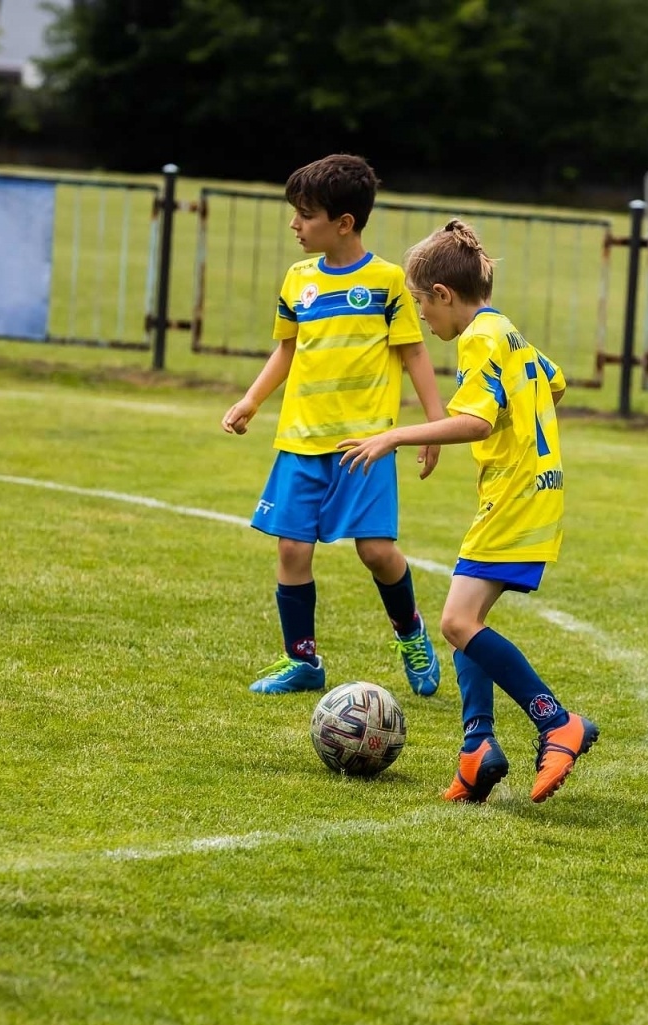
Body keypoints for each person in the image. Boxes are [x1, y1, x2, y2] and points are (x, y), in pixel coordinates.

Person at [339, 220, 597, 804]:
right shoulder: (506, 329)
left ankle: (557, 722)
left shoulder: (479, 338)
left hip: (515, 494)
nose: (425, 322)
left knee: (456, 623)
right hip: (533, 488)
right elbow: (554, 383)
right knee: (466, 615)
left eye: (423, 307)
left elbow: (478, 421)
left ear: (444, 295)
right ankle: (477, 749)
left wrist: (396, 435)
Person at [221, 154, 448, 697]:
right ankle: (302, 660)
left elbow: (415, 354)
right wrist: (252, 400)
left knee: (375, 550)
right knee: (292, 550)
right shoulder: (299, 279)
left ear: (343, 223)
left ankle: (411, 633)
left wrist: (435, 427)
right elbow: (286, 350)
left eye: (305, 215)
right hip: (300, 440)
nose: (295, 226)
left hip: (364, 445)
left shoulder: (387, 281)